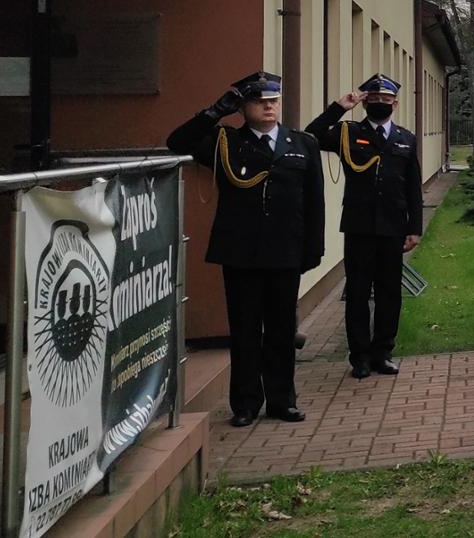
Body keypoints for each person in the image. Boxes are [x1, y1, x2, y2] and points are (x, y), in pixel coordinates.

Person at [167, 71, 324, 428]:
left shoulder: (302, 143)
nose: (269, 107)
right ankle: (246, 403)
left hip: (285, 251)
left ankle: (282, 400)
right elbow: (177, 142)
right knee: (245, 329)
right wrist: (212, 113)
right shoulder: (226, 142)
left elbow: (314, 201)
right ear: (243, 106)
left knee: (282, 330)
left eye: (273, 101)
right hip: (241, 253)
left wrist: (314, 247)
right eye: (259, 101)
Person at [305, 73, 423, 379]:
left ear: (395, 103)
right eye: (375, 99)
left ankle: (383, 352)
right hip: (359, 226)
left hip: (392, 227)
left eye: (386, 100)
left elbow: (412, 187)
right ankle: (359, 357)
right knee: (357, 293)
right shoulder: (346, 132)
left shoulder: (405, 139)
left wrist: (415, 228)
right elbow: (312, 134)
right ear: (365, 102)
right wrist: (340, 107)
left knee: (389, 293)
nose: (381, 103)